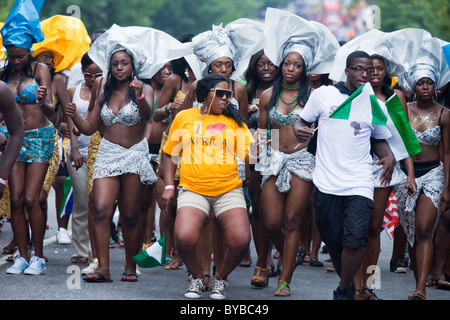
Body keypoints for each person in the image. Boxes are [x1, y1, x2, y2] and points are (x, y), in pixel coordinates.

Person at [294, 50, 395, 300]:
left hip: (360, 181)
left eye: (370, 70)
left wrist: (389, 156)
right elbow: (300, 121)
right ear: (347, 70)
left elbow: (380, 139)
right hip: (327, 182)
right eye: (360, 69)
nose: (366, 74)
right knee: (336, 243)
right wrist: (300, 131)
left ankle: (353, 288)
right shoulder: (323, 95)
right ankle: (350, 284)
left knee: (359, 237)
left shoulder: (377, 104)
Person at [256, 8, 340, 296]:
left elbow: (328, 130)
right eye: (288, 64)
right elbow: (263, 131)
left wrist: (313, 133)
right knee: (270, 222)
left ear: (305, 70)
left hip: (303, 161)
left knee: (292, 221)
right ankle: (290, 255)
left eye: (298, 65)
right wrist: (261, 141)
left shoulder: (316, 96)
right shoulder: (268, 95)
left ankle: (285, 280)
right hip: (273, 160)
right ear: (281, 65)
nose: (291, 69)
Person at [161, 74, 254, 300]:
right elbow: (169, 155)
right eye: (219, 93)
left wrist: (258, 150)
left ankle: (220, 278)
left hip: (228, 189)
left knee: (241, 240)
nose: (225, 98)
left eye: (228, 95)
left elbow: (250, 156)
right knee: (183, 238)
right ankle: (197, 277)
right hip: (193, 187)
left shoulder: (235, 121)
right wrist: (169, 187)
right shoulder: (185, 117)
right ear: (204, 95)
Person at [354, 55, 416, 300]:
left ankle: (369, 285)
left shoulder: (395, 97)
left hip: (384, 168)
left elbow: (404, 136)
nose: (375, 73)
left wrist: (410, 173)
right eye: (371, 69)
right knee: (356, 228)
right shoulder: (357, 96)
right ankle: (354, 284)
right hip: (357, 166)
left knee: (373, 228)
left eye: (380, 69)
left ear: (386, 72)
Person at [1, 1, 55, 275]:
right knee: (16, 200)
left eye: (20, 55)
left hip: (40, 138)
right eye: (11, 55)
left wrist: (44, 101)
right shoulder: (4, 73)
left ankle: (39, 256)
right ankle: (22, 256)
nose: (16, 60)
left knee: (33, 199)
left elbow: (52, 110)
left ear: (29, 52)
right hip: (13, 140)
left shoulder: (40, 70)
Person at [395, 37, 450, 298]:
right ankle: (418, 279)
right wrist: (407, 175)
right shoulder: (404, 110)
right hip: (406, 174)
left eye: (429, 82)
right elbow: (402, 146)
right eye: (420, 82)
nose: (426, 87)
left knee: (425, 228)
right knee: (412, 232)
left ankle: (420, 289)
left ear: (435, 85)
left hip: (434, 173)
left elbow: (447, 152)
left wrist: (447, 188)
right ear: (413, 86)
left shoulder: (444, 114)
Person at [152, 33, 197, 270]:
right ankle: (168, 248)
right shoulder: (175, 80)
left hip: (199, 147)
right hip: (174, 144)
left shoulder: (210, 80)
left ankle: (186, 250)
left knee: (191, 199)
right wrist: (170, 107)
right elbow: (156, 113)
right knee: (169, 199)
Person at [244, 49, 278, 283]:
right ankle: (262, 259)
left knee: (273, 207)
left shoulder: (284, 90)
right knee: (256, 204)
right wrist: (245, 114)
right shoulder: (244, 90)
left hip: (277, 143)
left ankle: (284, 252)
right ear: (254, 67)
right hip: (251, 145)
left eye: (270, 64)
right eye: (261, 64)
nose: (266, 68)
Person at [66, 53, 102, 266]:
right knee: (81, 200)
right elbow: (68, 121)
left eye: (98, 75)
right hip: (78, 152)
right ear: (82, 73)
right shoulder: (74, 91)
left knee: (98, 203)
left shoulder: (107, 91)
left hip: (101, 152)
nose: (93, 79)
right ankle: (81, 249)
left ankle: (97, 252)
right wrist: (73, 149)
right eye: (89, 75)